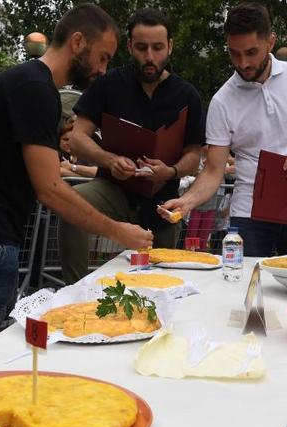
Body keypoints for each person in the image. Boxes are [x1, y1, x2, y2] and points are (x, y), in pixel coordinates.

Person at [0, 4, 152, 367]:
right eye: (103, 57)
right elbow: (50, 187)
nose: (102, 69)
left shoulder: (27, 83)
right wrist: (118, 231)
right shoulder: (35, 88)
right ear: (78, 42)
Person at [159, 2, 287, 256]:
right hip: (248, 214)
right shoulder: (223, 100)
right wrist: (187, 201)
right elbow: (214, 170)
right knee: (243, 288)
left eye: (251, 52)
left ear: (270, 42)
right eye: (234, 53)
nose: (242, 63)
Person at [61, 8, 204, 284]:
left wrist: (171, 171)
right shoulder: (107, 84)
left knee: (162, 277)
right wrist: (109, 160)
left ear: (170, 47)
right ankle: (76, 289)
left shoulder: (188, 95)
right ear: (129, 46)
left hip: (163, 198)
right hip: (113, 187)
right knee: (71, 204)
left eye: (157, 48)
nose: (149, 57)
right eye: (141, 48)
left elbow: (194, 156)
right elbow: (78, 138)